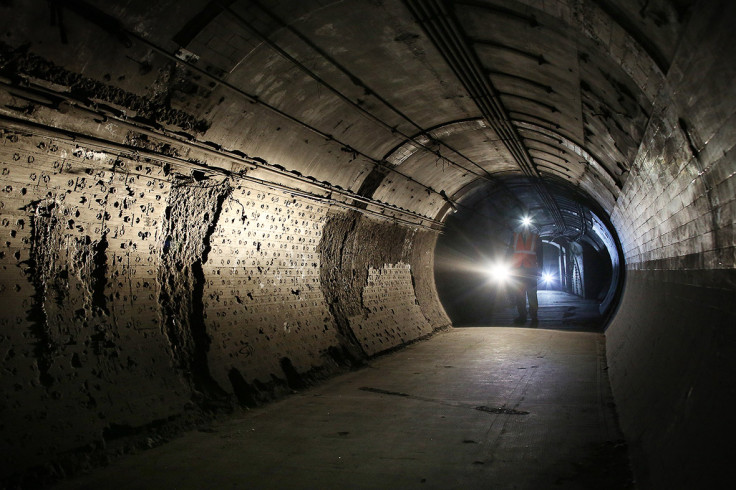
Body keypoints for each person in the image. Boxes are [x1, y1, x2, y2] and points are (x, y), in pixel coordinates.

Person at [509, 219, 543, 324]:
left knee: (532, 294)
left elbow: (540, 255)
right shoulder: (515, 237)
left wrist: (540, 269)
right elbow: (509, 253)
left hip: (531, 270)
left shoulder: (536, 238)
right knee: (520, 294)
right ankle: (522, 315)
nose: (525, 227)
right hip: (518, 270)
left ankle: (534, 315)